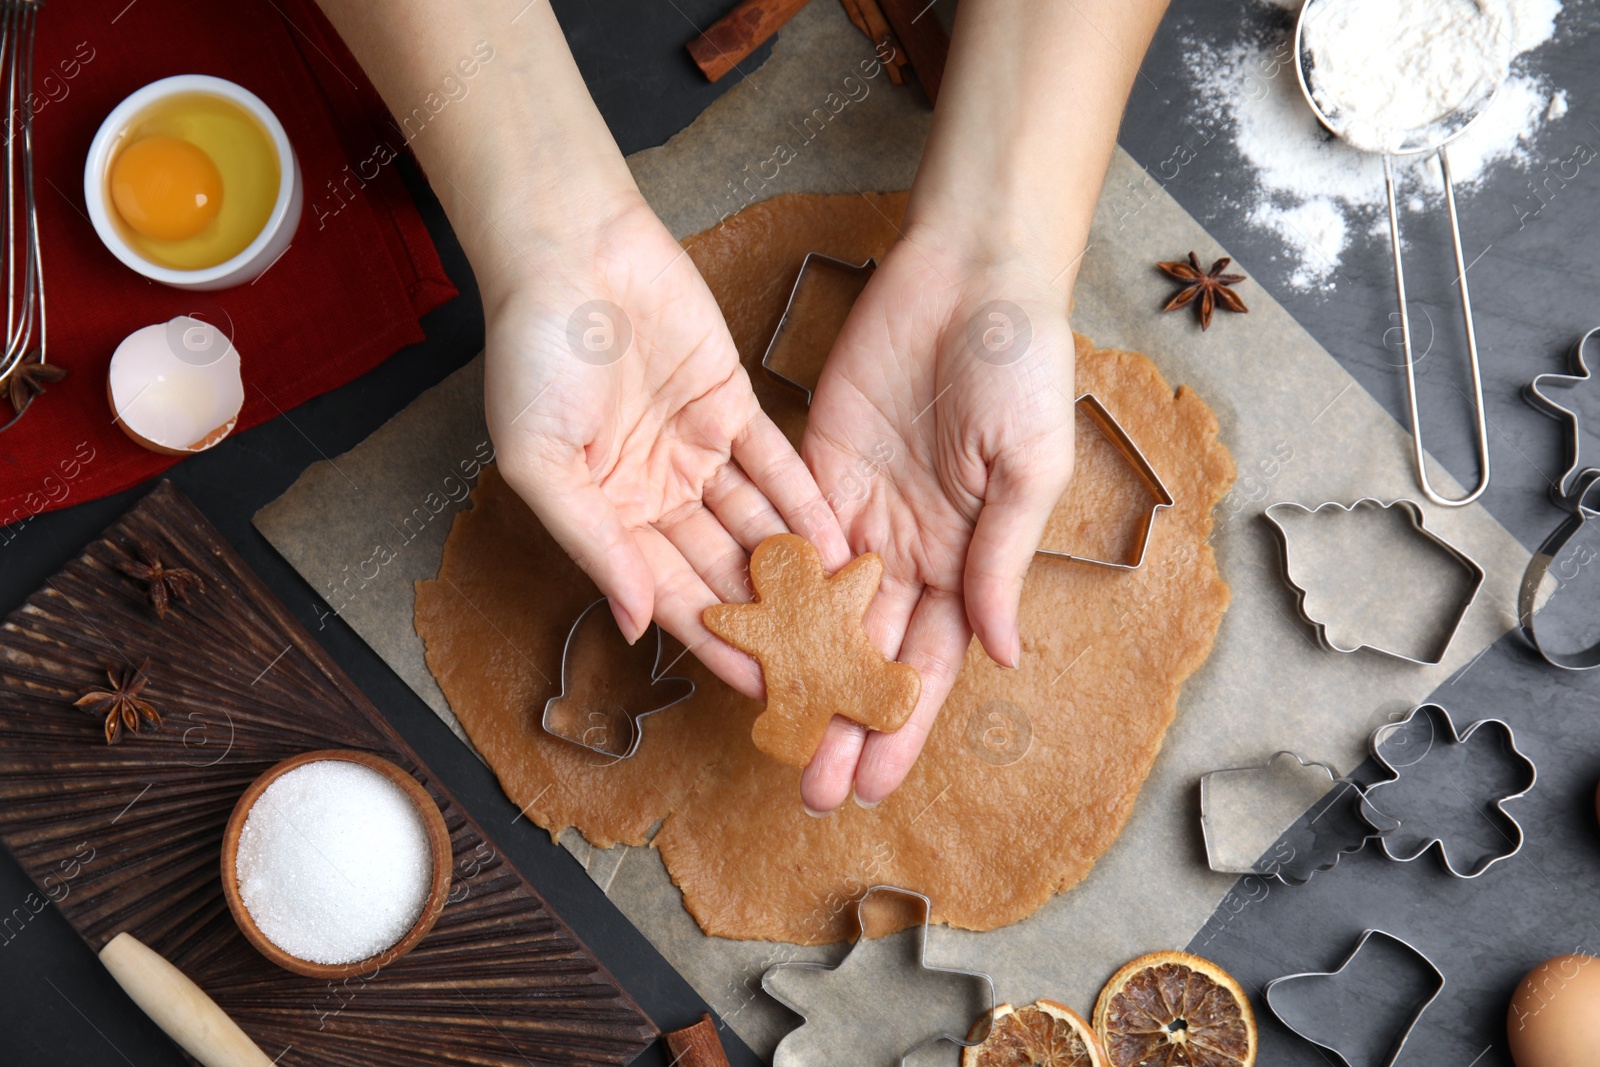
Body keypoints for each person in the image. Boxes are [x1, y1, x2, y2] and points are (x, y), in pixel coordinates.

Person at [314, 0, 1169, 813]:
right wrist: (560, 240)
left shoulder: (821, 591)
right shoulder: (778, 604)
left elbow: (813, 594)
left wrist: (994, 254)